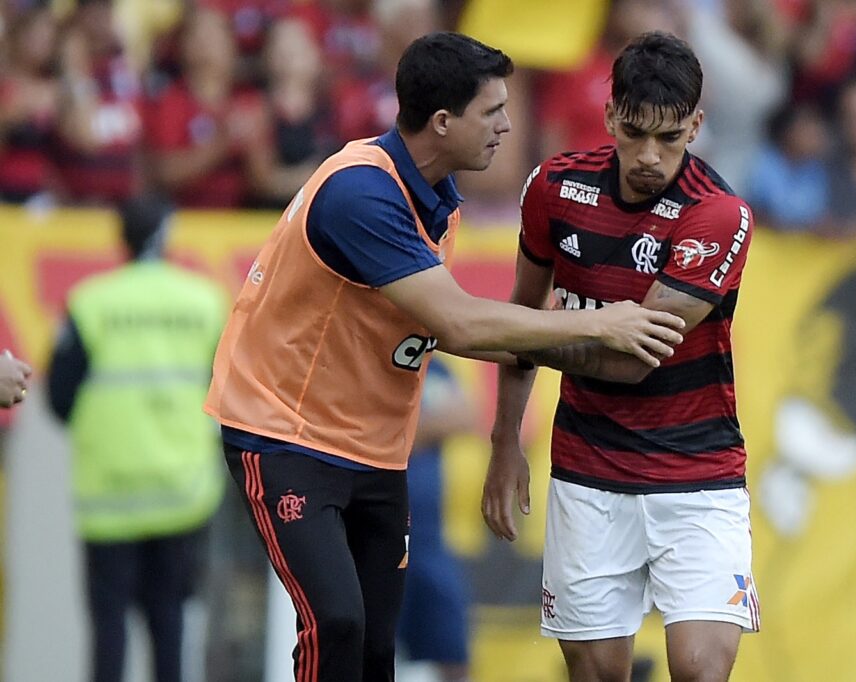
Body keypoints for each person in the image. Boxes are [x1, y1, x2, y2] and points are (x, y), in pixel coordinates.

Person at [203, 30, 685, 682]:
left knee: (377, 645)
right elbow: (459, 325)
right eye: (492, 112)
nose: (508, 126)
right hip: (287, 437)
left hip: (374, 446)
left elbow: (467, 333)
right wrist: (600, 326)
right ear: (442, 122)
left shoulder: (438, 201)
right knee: (337, 622)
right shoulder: (360, 194)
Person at [482, 32, 759, 682]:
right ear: (609, 116)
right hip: (588, 469)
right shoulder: (553, 188)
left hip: (698, 473)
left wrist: (517, 332)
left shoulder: (717, 215)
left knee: (698, 669)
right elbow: (523, 312)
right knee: (598, 674)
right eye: (635, 132)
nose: (648, 155)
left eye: (669, 137)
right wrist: (503, 442)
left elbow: (634, 359)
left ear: (696, 125)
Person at [46, 194, 227, 682]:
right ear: (168, 236)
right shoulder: (205, 301)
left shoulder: (91, 302)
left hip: (110, 494)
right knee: (169, 622)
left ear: (120, 237)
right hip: (182, 492)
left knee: (109, 629)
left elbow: (59, 399)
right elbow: (229, 390)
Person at [397, 357, 474, 682]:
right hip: (371, 536)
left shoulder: (428, 362)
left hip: (428, 540)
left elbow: (463, 415)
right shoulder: (364, 352)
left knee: (452, 650)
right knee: (367, 646)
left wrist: (399, 432)